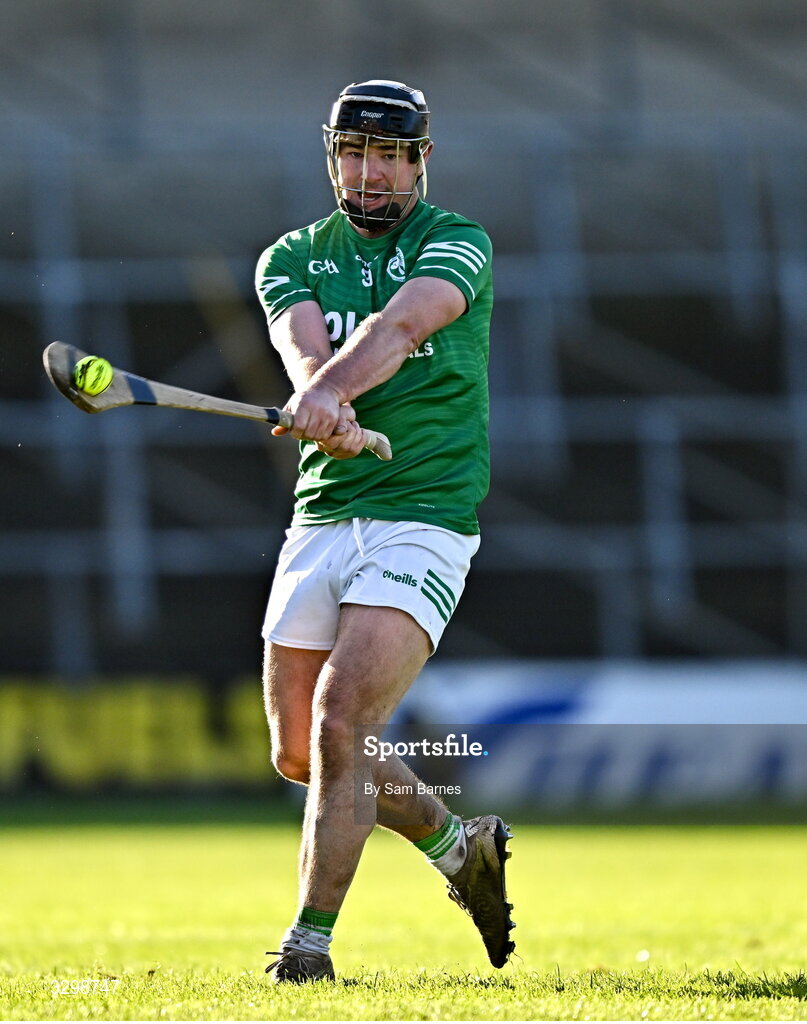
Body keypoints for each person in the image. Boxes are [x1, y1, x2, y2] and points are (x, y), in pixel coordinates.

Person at [255, 79, 514, 983]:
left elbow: (405, 324)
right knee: (301, 751)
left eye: (390, 156)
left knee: (343, 717)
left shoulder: (456, 242)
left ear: (420, 162)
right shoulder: (289, 255)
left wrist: (334, 391)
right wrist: (315, 387)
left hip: (425, 515)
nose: (370, 174)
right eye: (353, 154)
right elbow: (299, 346)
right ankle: (457, 847)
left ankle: (308, 945)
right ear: (331, 157)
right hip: (324, 513)